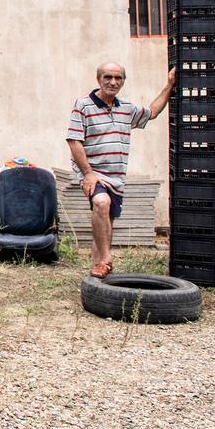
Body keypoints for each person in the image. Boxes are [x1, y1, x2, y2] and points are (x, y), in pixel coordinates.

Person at [66, 62, 176, 279]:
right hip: (93, 173)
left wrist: (169, 86)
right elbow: (73, 141)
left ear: (123, 82)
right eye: (108, 77)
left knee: (106, 221)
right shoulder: (83, 105)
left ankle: (98, 271)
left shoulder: (126, 108)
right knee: (101, 203)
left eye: (118, 78)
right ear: (98, 79)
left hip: (116, 176)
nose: (113, 82)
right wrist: (88, 173)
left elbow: (152, 112)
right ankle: (107, 259)